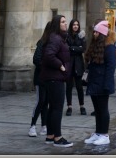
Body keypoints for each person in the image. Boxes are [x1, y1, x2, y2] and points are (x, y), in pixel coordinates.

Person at [39, 13, 73, 148]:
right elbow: (49, 55)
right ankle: (58, 137)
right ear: (57, 24)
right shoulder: (56, 38)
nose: (65, 23)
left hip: (54, 77)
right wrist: (61, 66)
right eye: (63, 22)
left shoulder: (57, 38)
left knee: (53, 107)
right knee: (57, 108)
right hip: (55, 77)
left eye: (65, 21)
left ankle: (50, 135)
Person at [83, 20, 116, 146]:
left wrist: (107, 85)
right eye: (94, 31)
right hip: (94, 82)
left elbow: (110, 67)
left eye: (97, 32)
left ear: (102, 33)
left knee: (103, 109)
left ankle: (104, 134)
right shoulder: (95, 46)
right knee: (97, 110)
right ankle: (98, 132)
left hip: (103, 83)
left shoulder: (109, 47)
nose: (95, 34)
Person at [28, 21, 51, 137]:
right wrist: (47, 66)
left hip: (49, 78)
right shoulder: (42, 43)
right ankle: (32, 126)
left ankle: (44, 126)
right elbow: (36, 59)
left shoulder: (54, 44)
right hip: (41, 77)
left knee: (46, 102)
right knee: (40, 101)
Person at [65, 19, 87, 115]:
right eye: (74, 25)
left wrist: (72, 48)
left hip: (78, 64)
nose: (76, 26)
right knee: (69, 86)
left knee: (79, 87)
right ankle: (69, 106)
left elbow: (83, 49)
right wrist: (76, 48)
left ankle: (82, 106)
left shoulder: (81, 36)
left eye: (77, 25)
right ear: (71, 26)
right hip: (69, 63)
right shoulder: (67, 36)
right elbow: (66, 48)